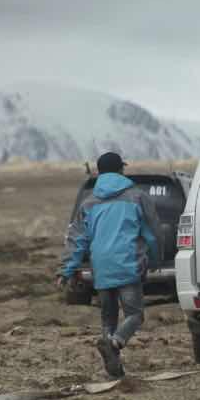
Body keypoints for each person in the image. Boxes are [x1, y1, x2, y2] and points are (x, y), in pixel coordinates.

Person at [58, 152, 160, 378]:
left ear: (100, 172)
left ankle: (113, 367)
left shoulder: (89, 202)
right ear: (121, 170)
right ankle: (114, 344)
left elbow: (77, 239)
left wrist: (66, 270)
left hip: (101, 268)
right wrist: (156, 258)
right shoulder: (137, 197)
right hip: (128, 265)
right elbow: (152, 234)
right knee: (134, 315)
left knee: (108, 317)